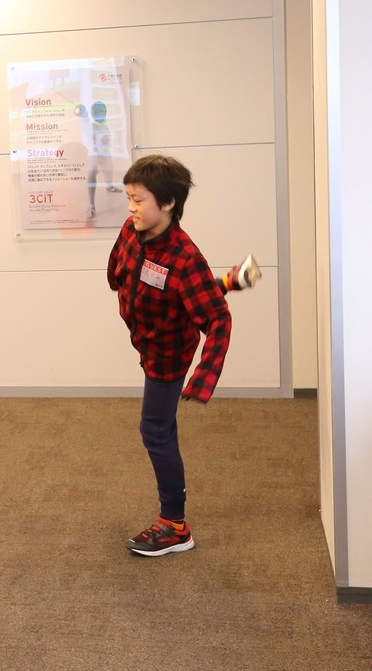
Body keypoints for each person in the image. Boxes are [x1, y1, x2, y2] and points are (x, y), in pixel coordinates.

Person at [105, 154, 232, 557]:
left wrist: (203, 378)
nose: (131, 208)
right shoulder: (131, 231)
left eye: (139, 200)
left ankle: (175, 526)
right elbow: (118, 269)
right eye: (129, 198)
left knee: (155, 431)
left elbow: (218, 319)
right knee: (162, 429)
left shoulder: (185, 258)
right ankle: (223, 282)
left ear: (168, 203)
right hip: (147, 340)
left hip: (168, 354)